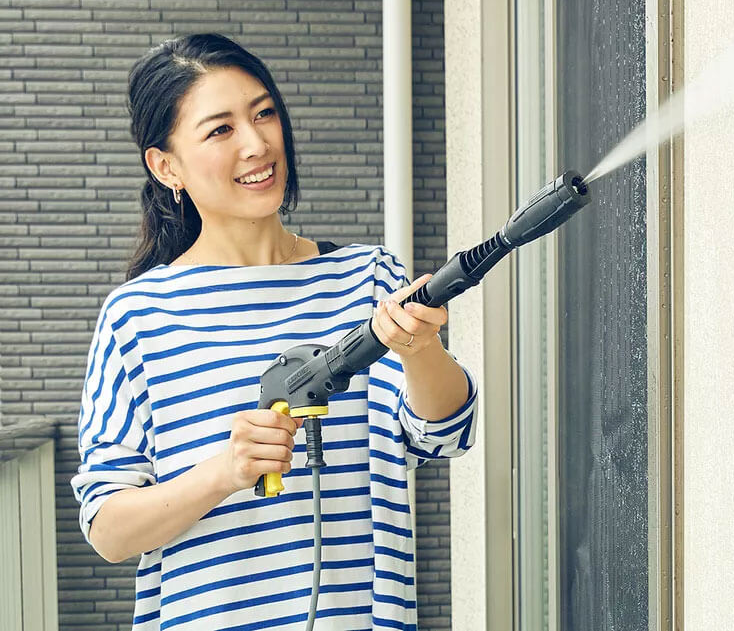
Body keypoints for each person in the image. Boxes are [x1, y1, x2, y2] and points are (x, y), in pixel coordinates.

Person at [70, 33, 476, 631]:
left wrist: (422, 351)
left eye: (264, 114)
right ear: (166, 166)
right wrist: (226, 471)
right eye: (221, 129)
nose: (258, 143)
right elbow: (107, 528)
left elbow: (444, 435)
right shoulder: (139, 316)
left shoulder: (366, 279)